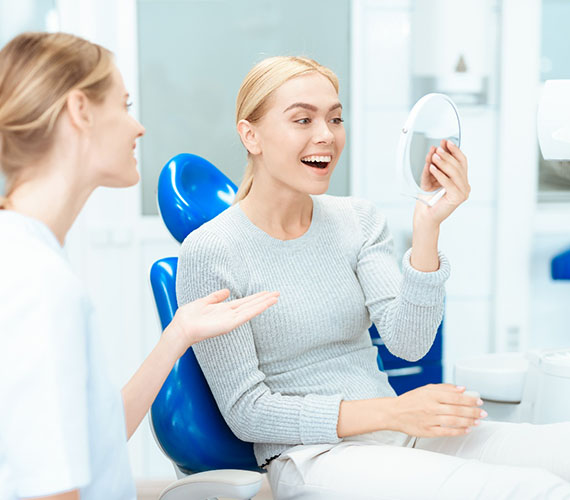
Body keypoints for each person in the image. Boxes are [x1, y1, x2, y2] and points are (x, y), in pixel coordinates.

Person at [177, 55, 570, 499]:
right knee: (533, 490)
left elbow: (408, 342)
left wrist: (427, 228)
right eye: (302, 119)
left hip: (398, 433)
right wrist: (393, 411)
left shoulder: (357, 219)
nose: (325, 134)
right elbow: (249, 412)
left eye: (335, 118)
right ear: (251, 135)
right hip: (314, 457)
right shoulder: (212, 251)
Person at [0, 32, 279, 500]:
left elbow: (97, 440)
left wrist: (178, 335)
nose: (138, 128)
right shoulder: (38, 284)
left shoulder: (26, 256)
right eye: (124, 105)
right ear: (79, 111)